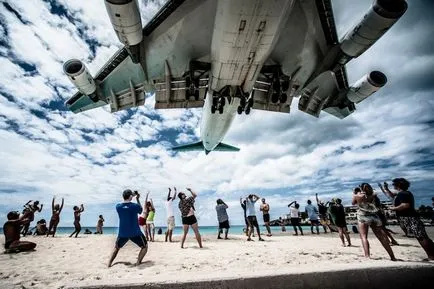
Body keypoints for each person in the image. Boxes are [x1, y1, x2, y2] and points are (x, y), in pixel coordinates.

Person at [381, 178, 434, 260]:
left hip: (409, 218)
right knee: (423, 236)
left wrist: (393, 208)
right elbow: (392, 195)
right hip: (410, 217)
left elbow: (405, 205)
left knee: (421, 236)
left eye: (394, 184)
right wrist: (386, 189)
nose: (393, 186)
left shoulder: (403, 194)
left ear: (398, 185)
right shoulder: (403, 193)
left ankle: (431, 256)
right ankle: (432, 254)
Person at [352, 184, 396, 261]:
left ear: (361, 189)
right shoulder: (374, 195)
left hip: (363, 216)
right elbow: (377, 204)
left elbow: (353, 203)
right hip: (374, 216)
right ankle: (392, 257)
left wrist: (356, 195)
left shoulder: (357, 196)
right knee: (381, 237)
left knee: (364, 237)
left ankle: (367, 256)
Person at [108, 189, 148, 267]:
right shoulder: (135, 206)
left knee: (116, 248)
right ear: (130, 196)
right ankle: (138, 262)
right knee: (145, 247)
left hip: (123, 233)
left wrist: (130, 195)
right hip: (135, 232)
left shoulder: (118, 207)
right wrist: (137, 198)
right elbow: (140, 210)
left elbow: (125, 204)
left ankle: (109, 263)